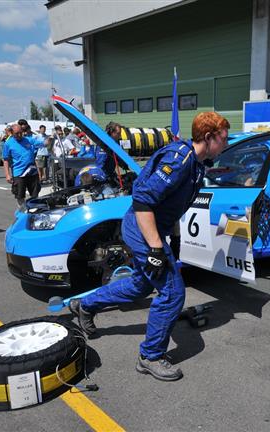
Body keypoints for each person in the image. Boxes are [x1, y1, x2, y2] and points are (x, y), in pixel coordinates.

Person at [69, 112, 230, 381]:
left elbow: (172, 201)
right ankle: (150, 356)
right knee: (172, 293)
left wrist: (170, 239)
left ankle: (85, 305)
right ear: (209, 137)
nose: (225, 144)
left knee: (141, 285)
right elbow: (143, 200)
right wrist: (156, 248)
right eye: (223, 139)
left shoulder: (197, 163)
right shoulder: (179, 160)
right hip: (143, 229)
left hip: (151, 230)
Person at [3, 124, 40, 207]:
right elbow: (5, 160)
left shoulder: (28, 140)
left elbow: (42, 144)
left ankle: (34, 212)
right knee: (20, 196)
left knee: (35, 195)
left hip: (32, 172)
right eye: (17, 133)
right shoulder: (8, 144)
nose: (19, 135)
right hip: (19, 173)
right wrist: (7, 175)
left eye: (21, 132)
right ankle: (23, 213)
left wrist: (49, 140)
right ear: (12, 133)